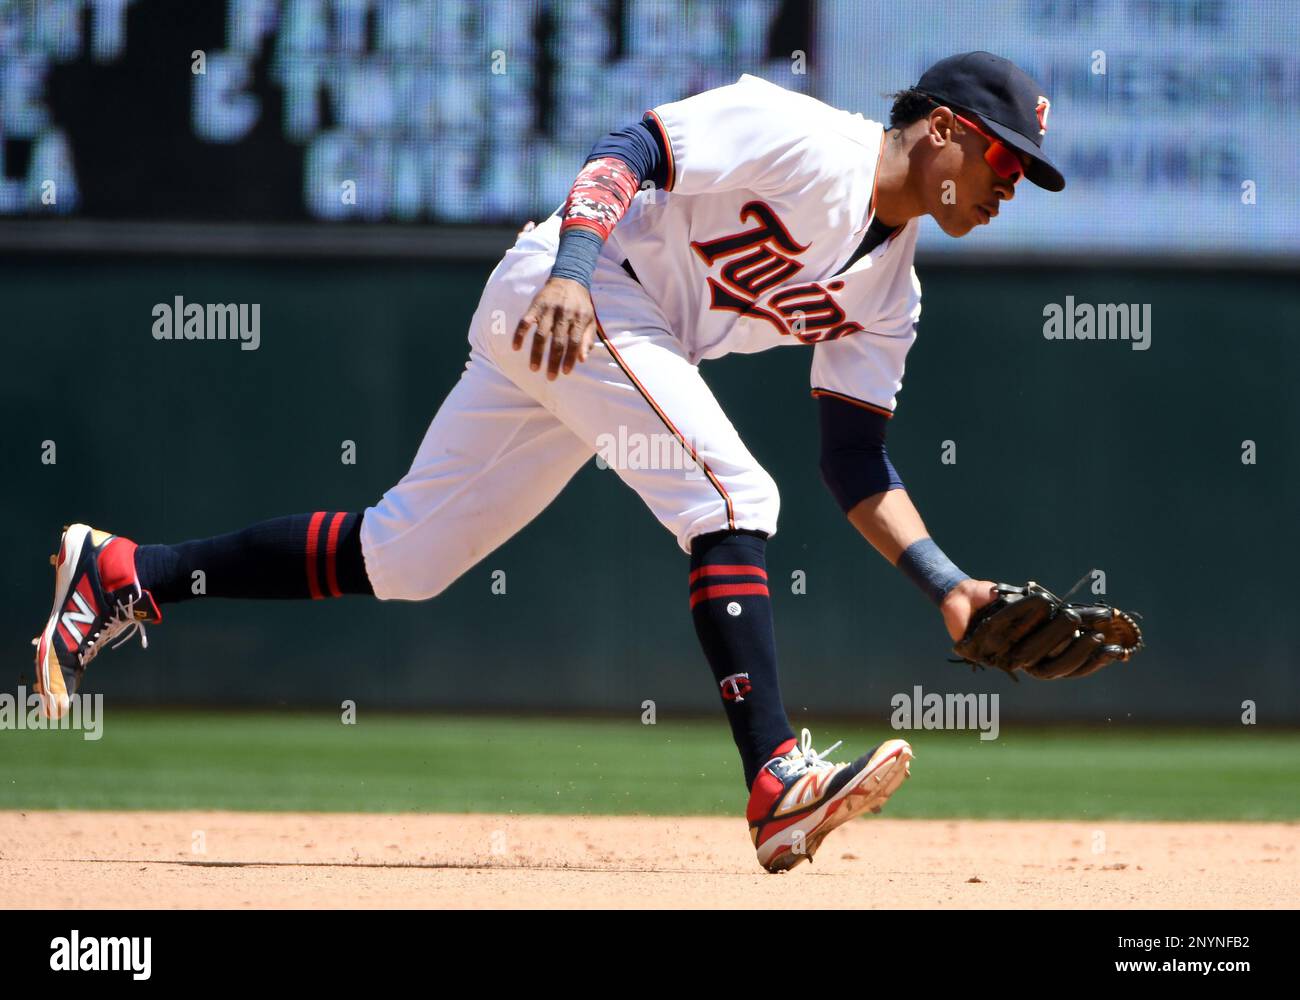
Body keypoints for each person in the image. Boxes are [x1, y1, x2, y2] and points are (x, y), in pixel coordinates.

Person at [33, 51, 1064, 872]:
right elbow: (631, 148)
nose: (1009, 187)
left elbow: (854, 460)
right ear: (943, 131)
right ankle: (775, 782)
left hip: (609, 341)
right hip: (575, 289)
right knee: (733, 493)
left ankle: (127, 572)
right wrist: (572, 268)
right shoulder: (808, 139)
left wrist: (948, 588)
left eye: (1023, 174)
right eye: (1005, 162)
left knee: (405, 555)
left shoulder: (892, 296)